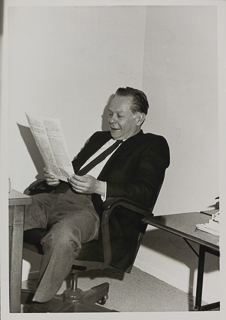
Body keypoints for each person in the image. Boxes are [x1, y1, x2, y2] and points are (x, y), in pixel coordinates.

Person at [24, 87, 170, 312]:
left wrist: (100, 186)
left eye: (119, 116)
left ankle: (39, 307)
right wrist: (55, 178)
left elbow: (145, 191)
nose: (111, 120)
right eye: (110, 114)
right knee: (9, 211)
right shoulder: (98, 138)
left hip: (95, 211)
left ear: (139, 118)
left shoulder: (153, 144)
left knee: (63, 235)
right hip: (58, 198)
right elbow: (72, 170)